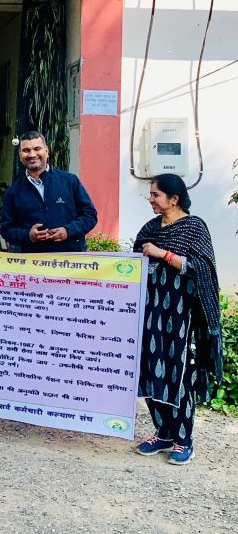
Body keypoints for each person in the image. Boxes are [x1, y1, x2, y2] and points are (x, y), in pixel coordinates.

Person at [133, 174, 222, 466]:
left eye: (155, 195)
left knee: (178, 372)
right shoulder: (150, 228)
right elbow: (134, 264)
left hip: (181, 316)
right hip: (151, 313)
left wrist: (162, 254)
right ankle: (163, 433)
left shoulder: (194, 227)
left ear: (174, 199)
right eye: (150, 194)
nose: (150, 199)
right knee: (150, 370)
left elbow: (202, 269)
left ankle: (184, 440)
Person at [0, 131, 97, 252]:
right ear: (20, 155)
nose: (32, 154)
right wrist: (28, 236)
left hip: (71, 258)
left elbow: (90, 215)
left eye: (37, 149)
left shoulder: (69, 181)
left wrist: (68, 231)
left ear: (47, 151)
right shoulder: (13, 192)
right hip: (34, 260)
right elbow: (6, 229)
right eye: (26, 150)